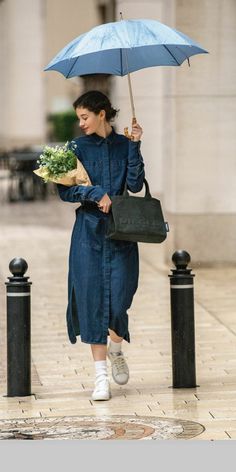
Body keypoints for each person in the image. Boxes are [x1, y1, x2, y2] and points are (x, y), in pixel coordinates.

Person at [57, 90, 145, 401]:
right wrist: (93, 192)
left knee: (120, 298)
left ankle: (116, 348)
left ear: (102, 114)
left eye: (85, 117)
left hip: (121, 232)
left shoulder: (123, 144)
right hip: (88, 234)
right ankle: (100, 378)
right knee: (92, 300)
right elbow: (65, 192)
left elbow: (134, 184)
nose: (81, 124)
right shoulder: (75, 148)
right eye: (79, 118)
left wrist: (135, 145)